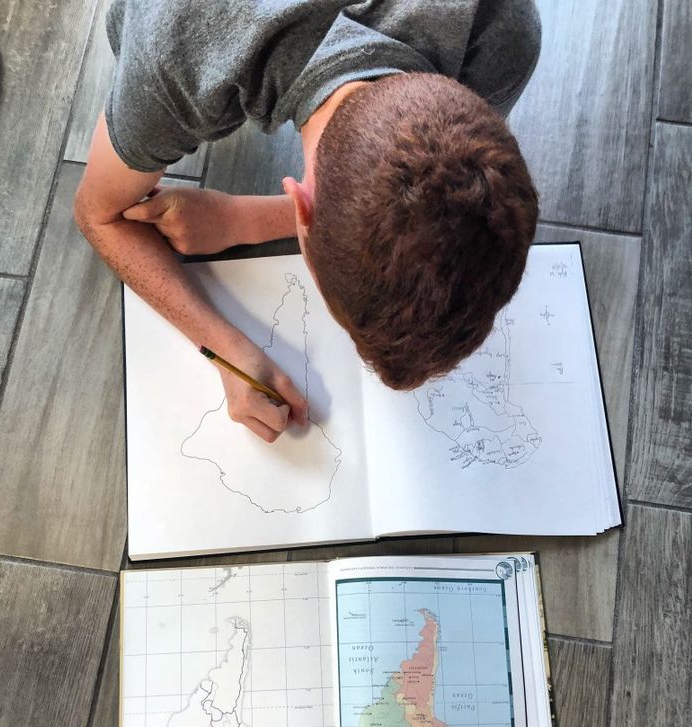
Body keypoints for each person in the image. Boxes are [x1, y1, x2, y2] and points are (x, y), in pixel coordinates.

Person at [74, 0, 541, 443]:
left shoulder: (500, 27)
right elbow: (98, 215)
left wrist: (245, 221)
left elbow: (448, 189)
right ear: (300, 205)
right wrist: (223, 348)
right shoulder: (178, 50)